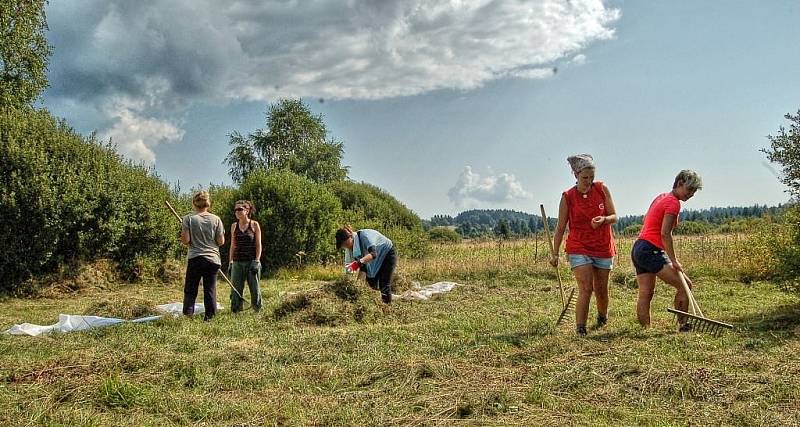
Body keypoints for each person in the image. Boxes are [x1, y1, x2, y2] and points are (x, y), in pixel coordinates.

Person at [551, 154, 617, 336]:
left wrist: (603, 219)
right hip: (578, 246)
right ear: (576, 176)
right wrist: (554, 253)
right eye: (584, 178)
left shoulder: (602, 189)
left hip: (603, 246)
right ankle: (581, 329)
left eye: (591, 177)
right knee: (586, 288)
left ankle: (602, 317)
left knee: (601, 289)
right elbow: (560, 227)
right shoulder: (568, 197)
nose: (588, 181)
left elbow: (614, 217)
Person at [632, 170, 702, 331]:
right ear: (679, 184)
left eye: (694, 191)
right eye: (689, 189)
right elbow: (665, 233)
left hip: (639, 247)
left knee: (646, 291)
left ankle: (645, 330)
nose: (691, 194)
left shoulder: (662, 197)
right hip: (651, 249)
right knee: (685, 286)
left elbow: (647, 220)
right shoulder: (673, 203)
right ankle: (683, 325)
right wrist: (674, 260)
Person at [180, 190, 225, 321]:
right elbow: (221, 241)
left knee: (191, 289)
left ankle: (188, 316)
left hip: (196, 257)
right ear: (208, 203)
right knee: (210, 289)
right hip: (212, 259)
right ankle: (210, 317)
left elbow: (186, 240)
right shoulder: (216, 219)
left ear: (194, 203)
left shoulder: (188, 219)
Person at [335, 226, 396, 304]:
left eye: (345, 243)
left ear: (350, 236)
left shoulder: (365, 236)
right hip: (371, 261)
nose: (345, 246)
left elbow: (373, 254)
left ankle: (387, 310)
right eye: (343, 245)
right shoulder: (349, 250)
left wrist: (357, 264)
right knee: (371, 285)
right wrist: (348, 284)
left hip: (386, 254)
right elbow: (349, 269)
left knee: (384, 285)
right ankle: (382, 302)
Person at [227, 200, 263, 313]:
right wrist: (230, 262)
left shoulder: (254, 224)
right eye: (235, 210)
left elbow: (258, 244)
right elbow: (232, 245)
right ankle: (236, 310)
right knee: (235, 288)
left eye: (240, 209)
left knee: (255, 287)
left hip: (251, 261)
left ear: (247, 211)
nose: (237, 212)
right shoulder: (234, 226)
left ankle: (257, 309)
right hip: (237, 262)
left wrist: (257, 260)